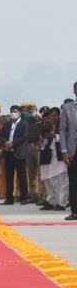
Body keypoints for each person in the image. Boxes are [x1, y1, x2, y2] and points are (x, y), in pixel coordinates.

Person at [39, 109, 69, 212]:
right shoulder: (48, 127)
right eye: (51, 116)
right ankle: (55, 201)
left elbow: (67, 137)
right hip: (52, 156)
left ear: (59, 115)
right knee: (53, 180)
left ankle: (63, 203)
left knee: (63, 181)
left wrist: (55, 136)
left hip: (62, 155)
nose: (52, 118)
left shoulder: (63, 125)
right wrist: (42, 141)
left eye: (54, 115)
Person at [0, 105, 30, 205]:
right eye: (12, 111)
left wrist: (12, 144)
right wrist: (5, 143)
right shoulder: (7, 124)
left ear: (20, 113)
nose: (13, 113)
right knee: (8, 177)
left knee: (22, 177)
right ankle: (9, 198)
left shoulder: (24, 124)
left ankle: (24, 197)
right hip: (8, 153)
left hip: (19, 153)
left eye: (15, 111)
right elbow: (2, 136)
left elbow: (24, 137)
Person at [59, 84, 77, 220]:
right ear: (74, 90)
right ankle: (75, 211)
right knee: (74, 181)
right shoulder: (67, 108)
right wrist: (64, 150)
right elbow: (62, 130)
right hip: (72, 149)